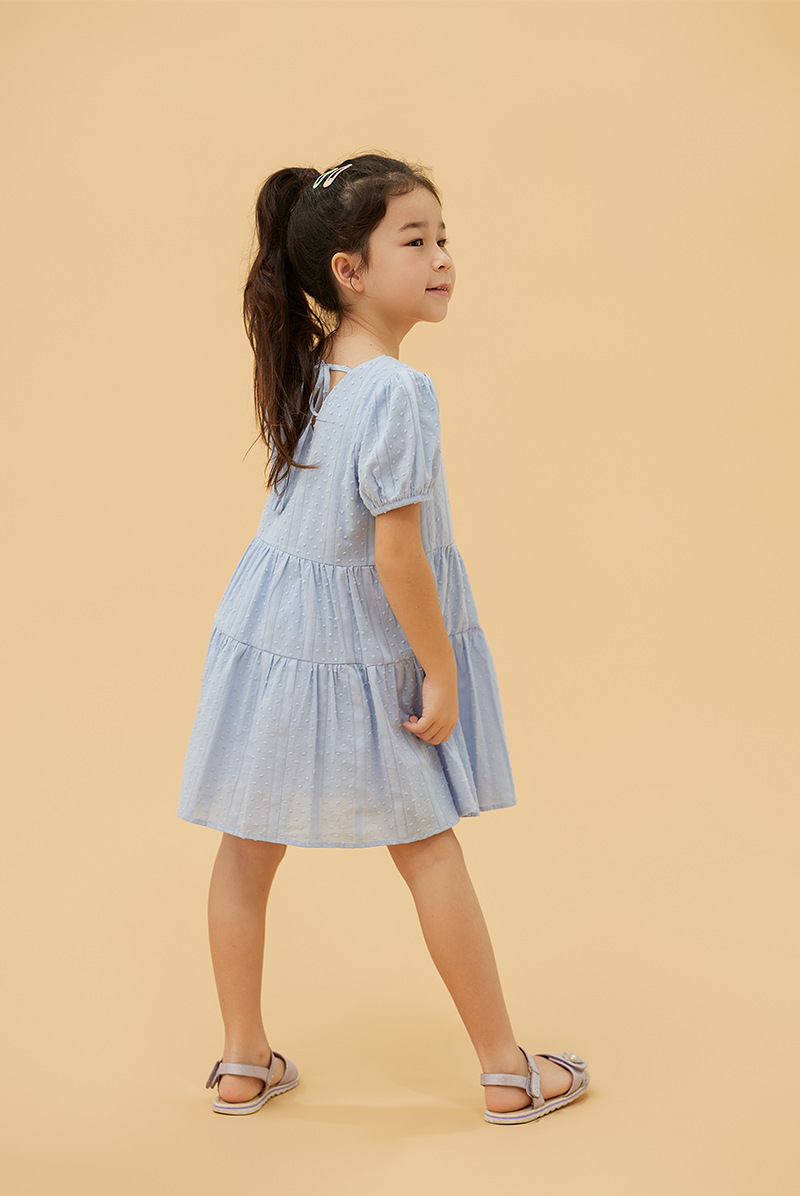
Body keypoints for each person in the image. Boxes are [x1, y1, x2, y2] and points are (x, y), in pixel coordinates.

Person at [178, 154, 589, 1124]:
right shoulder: (398, 389)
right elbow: (395, 555)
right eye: (415, 240)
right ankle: (505, 1070)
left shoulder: (317, 364)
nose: (441, 258)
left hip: (271, 631)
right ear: (348, 270)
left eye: (443, 238)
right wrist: (439, 669)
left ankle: (242, 1060)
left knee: (247, 847)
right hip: (355, 641)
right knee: (428, 847)